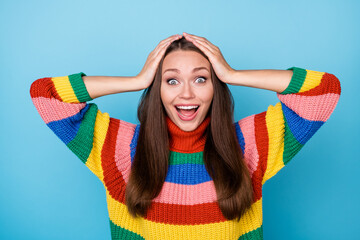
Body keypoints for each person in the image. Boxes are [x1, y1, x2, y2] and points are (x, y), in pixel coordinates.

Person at [30, 32, 341, 240]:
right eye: (172, 81)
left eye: (201, 79)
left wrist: (231, 74)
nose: (187, 94)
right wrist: (136, 81)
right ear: (158, 89)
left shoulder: (250, 144)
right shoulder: (121, 149)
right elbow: (46, 96)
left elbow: (324, 90)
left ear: (215, 86)